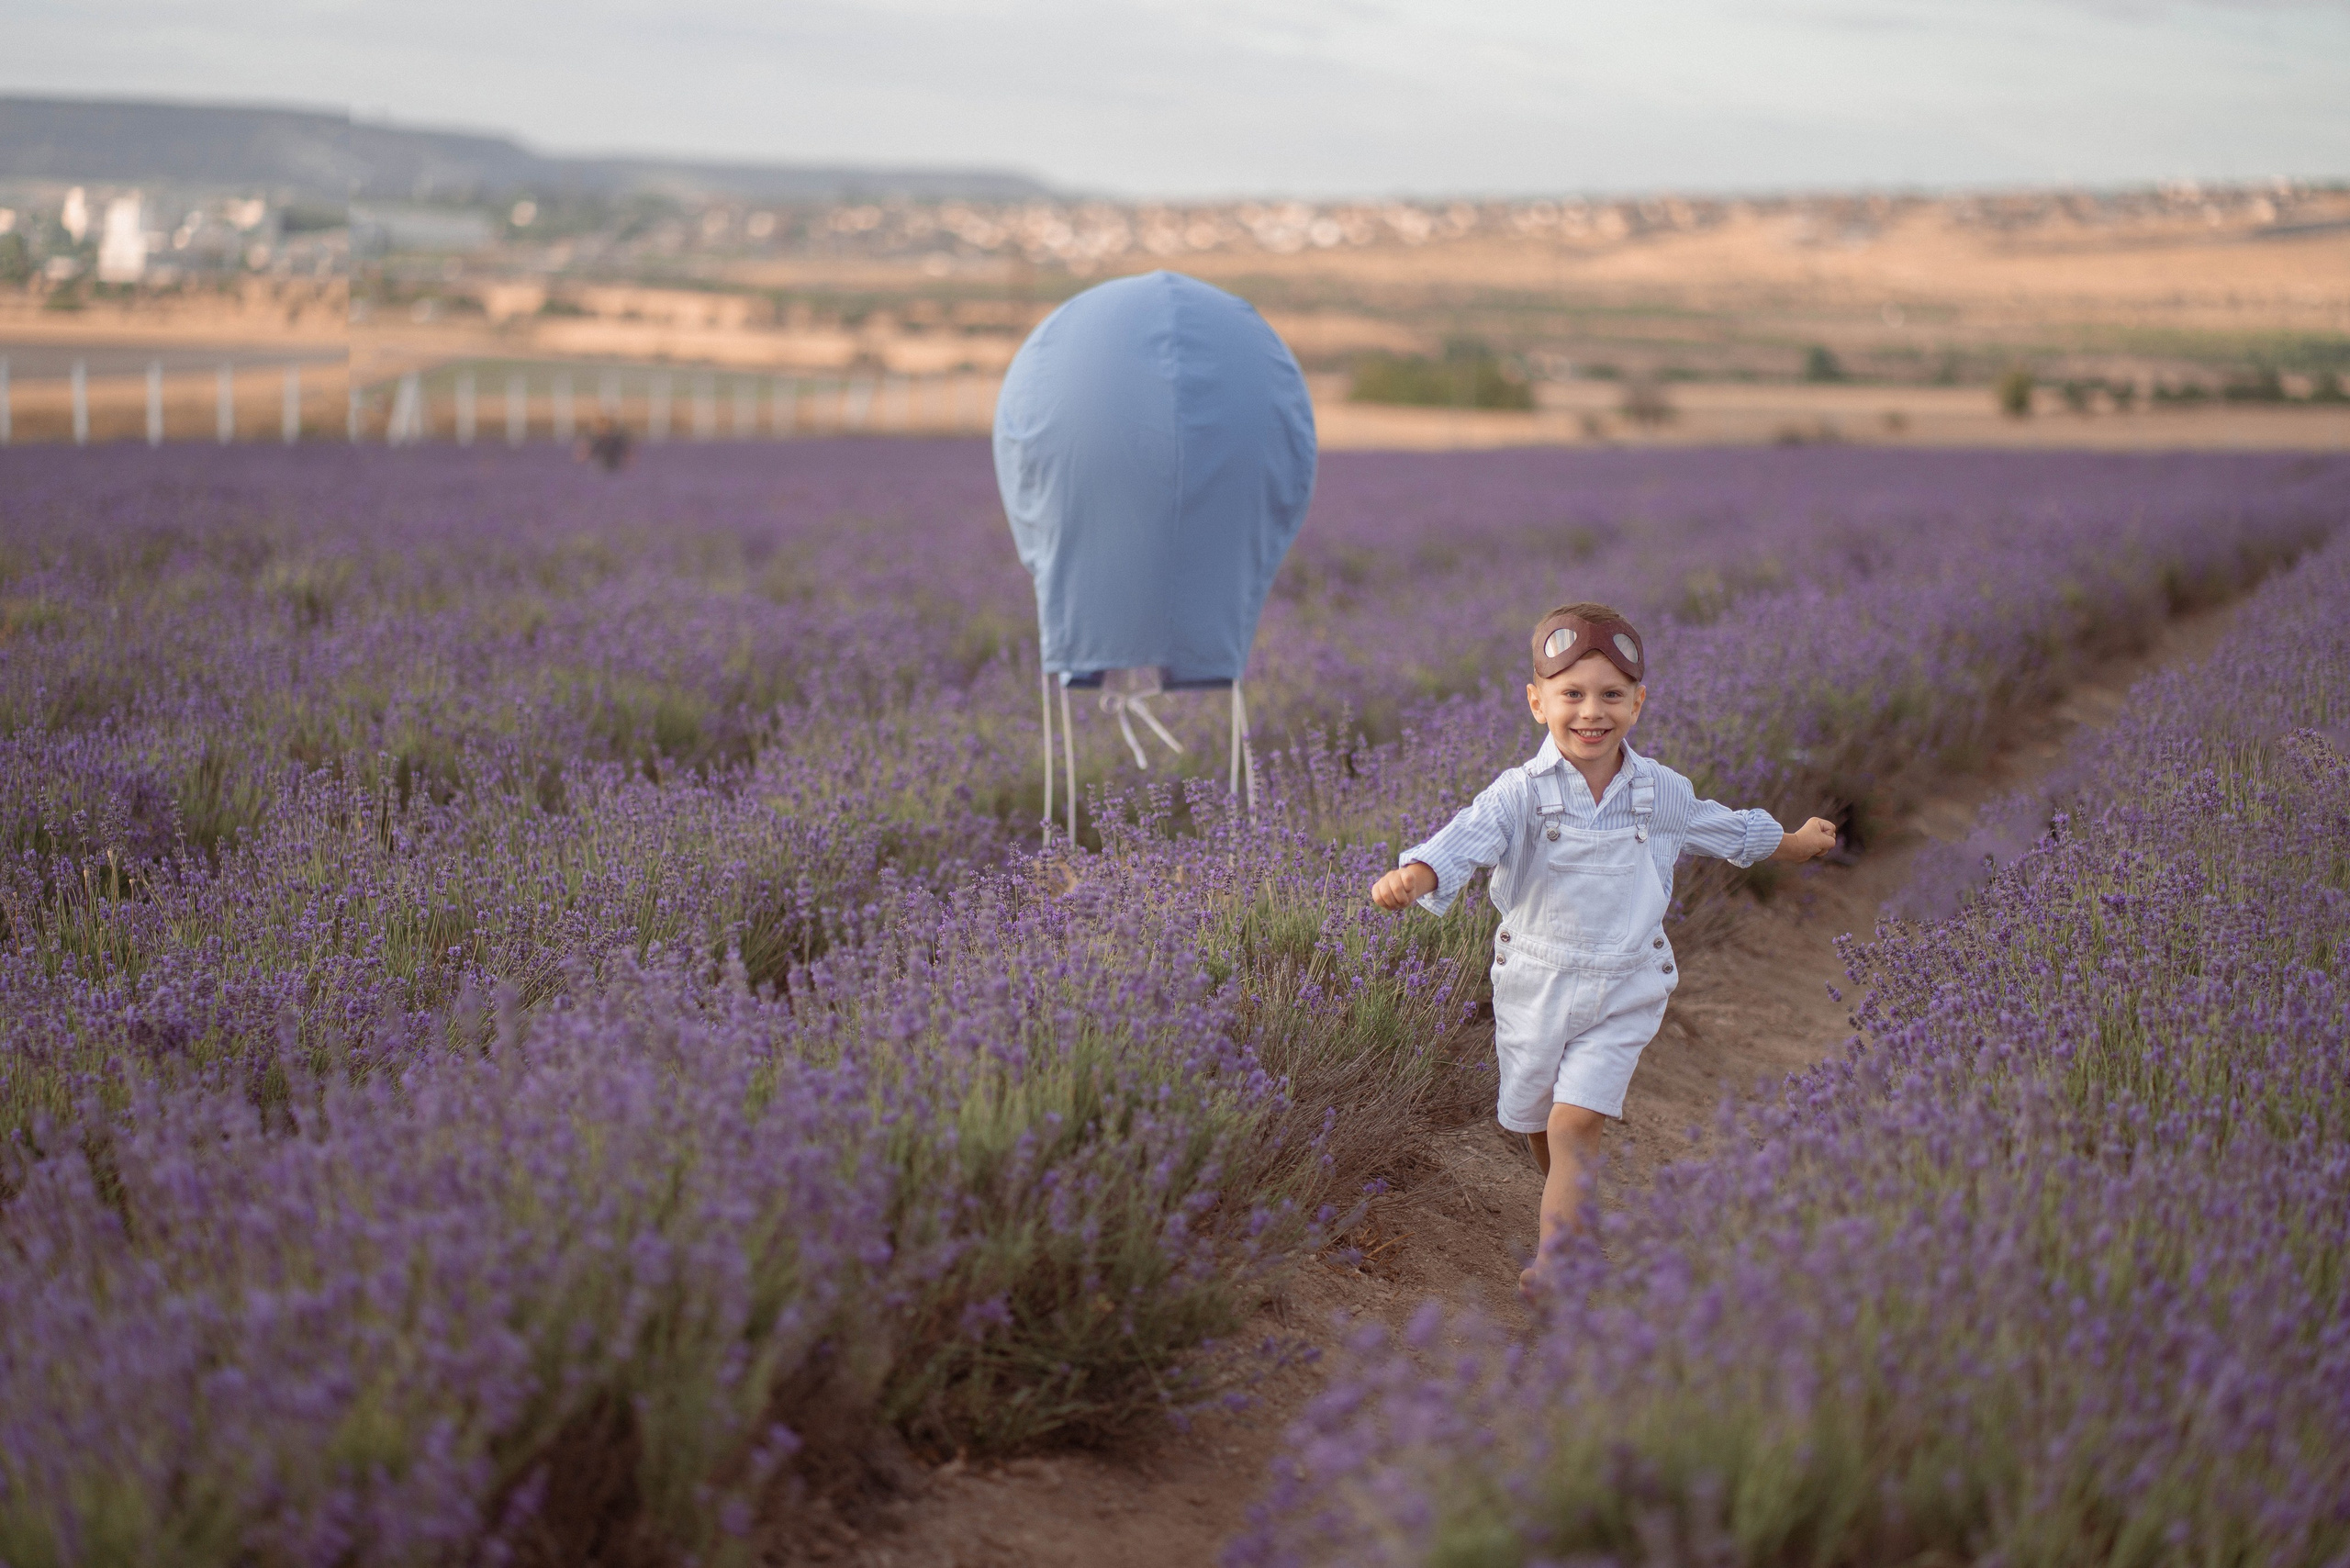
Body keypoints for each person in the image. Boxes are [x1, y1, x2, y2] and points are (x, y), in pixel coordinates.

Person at [1369, 603, 1836, 1298]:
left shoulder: (1659, 793)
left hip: (1626, 984)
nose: (1592, 712)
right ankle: (1581, 1231)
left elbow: (1725, 828)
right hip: (1534, 985)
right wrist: (1418, 874)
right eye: (1573, 695)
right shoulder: (1520, 795)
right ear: (1538, 703)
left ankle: (1556, 1265)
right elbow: (1467, 836)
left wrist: (1794, 842)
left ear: (1639, 703)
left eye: (1611, 695)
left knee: (1575, 1120)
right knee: (1539, 1125)